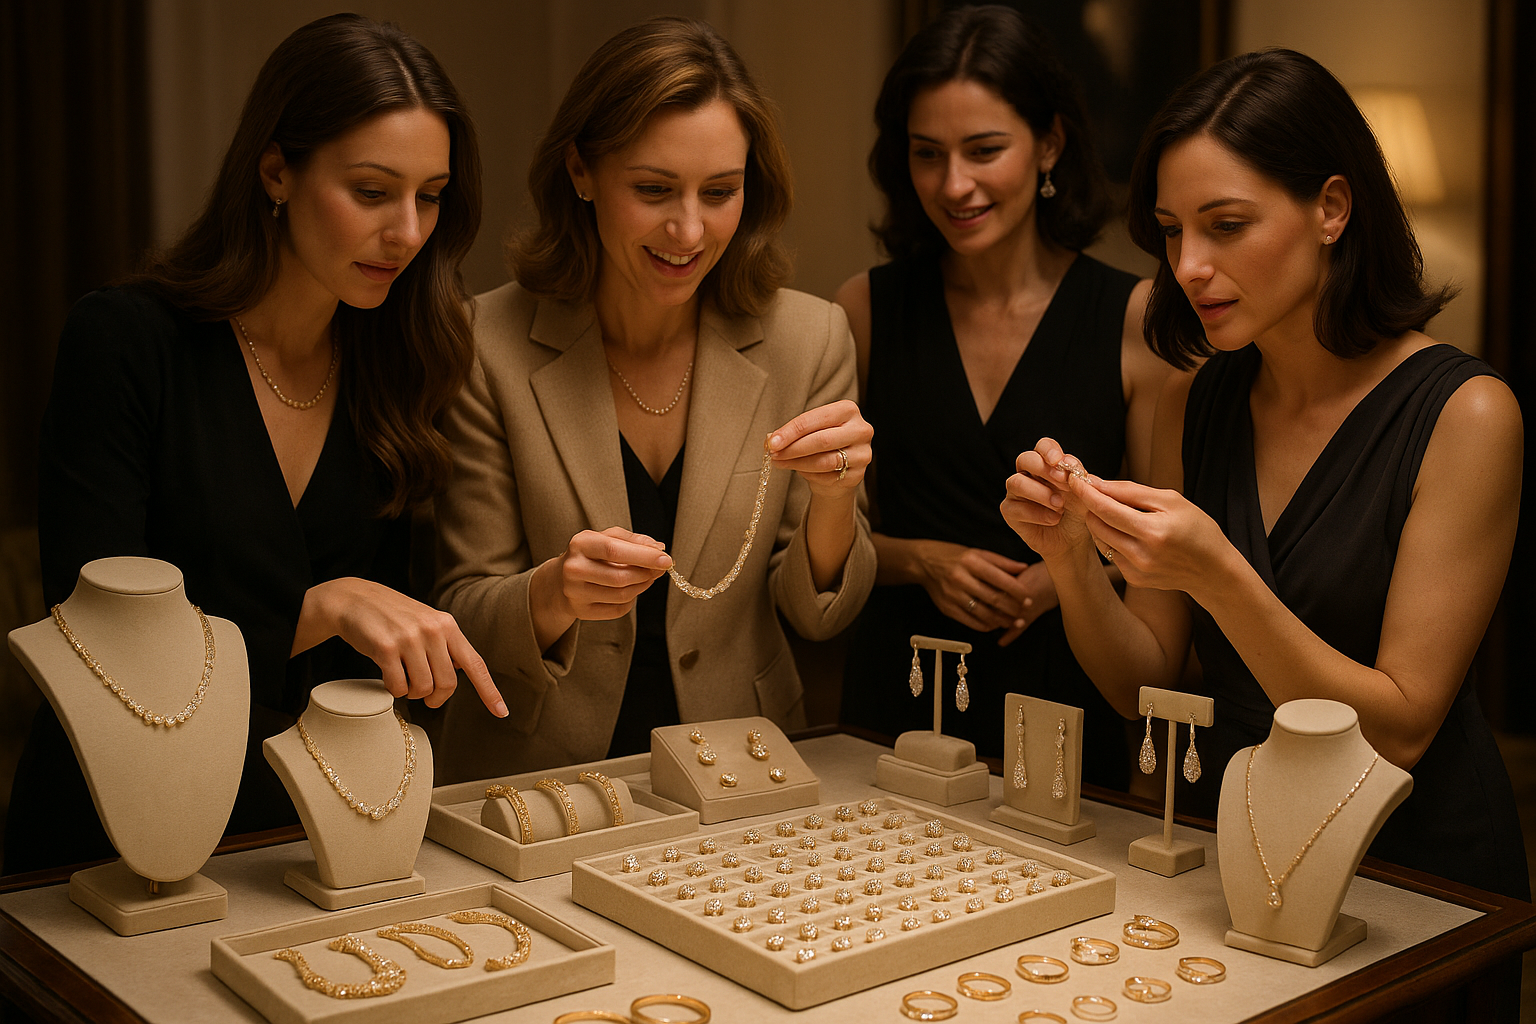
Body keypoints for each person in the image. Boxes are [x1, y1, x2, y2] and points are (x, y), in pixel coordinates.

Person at [1001, 49, 1527, 898]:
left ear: (1331, 207)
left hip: (1412, 867)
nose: (1189, 266)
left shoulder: (1466, 415)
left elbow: (1397, 735)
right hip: (1236, 846)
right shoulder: (1199, 400)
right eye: (1173, 230)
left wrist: (1218, 573)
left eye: (1227, 225)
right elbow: (1145, 687)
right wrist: (1067, 555)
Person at [7, 14, 506, 874]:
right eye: (373, 191)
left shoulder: (399, 359)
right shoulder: (126, 341)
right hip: (108, 842)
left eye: (431, 195)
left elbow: (387, 659)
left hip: (299, 838)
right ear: (276, 170)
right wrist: (320, 607)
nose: (410, 233)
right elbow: (96, 640)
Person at [431, 16, 876, 781]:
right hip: (536, 776)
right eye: (653, 189)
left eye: (721, 192)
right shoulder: (486, 343)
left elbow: (819, 614)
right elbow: (462, 608)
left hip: (746, 767)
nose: (689, 229)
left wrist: (836, 499)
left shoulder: (811, 337)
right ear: (580, 172)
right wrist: (554, 593)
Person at [835, 5, 1173, 788]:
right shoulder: (864, 310)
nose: (954, 185)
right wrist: (922, 561)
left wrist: (1065, 576)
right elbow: (812, 549)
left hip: (1062, 698)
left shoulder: (1133, 320)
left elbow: (1163, 547)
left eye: (984, 150)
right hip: (899, 698)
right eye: (928, 155)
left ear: (1050, 143)